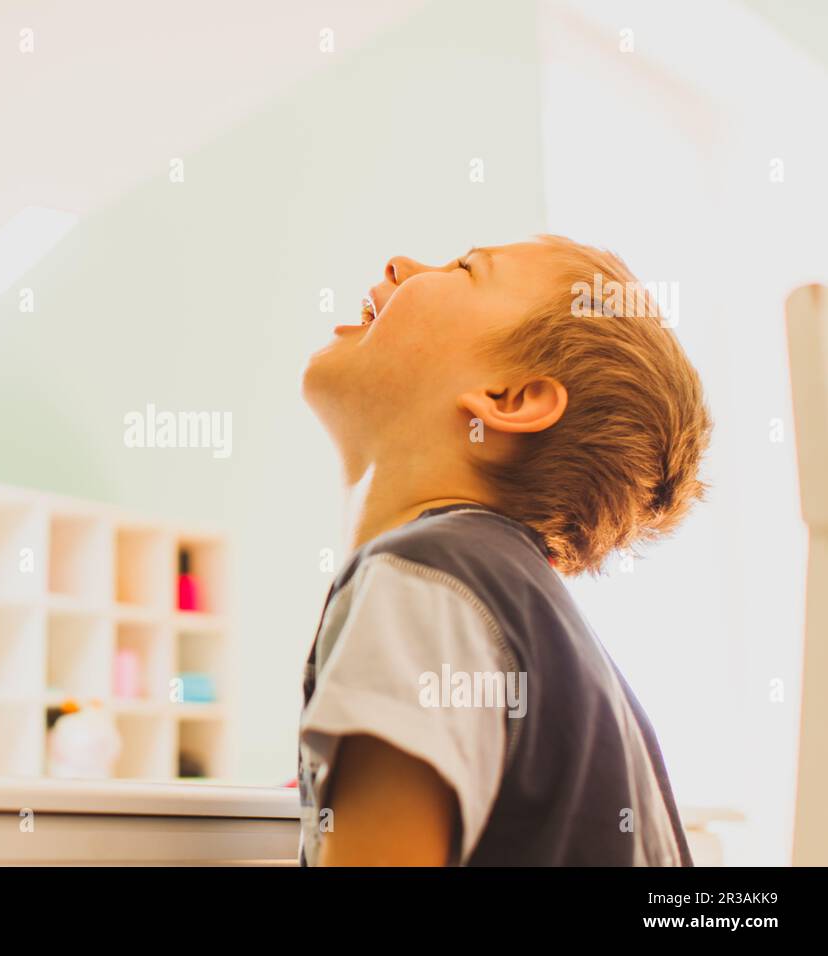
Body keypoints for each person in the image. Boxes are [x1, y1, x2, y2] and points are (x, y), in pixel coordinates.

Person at [297, 236, 711, 866]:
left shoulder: (426, 581)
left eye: (466, 268)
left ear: (509, 399)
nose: (400, 264)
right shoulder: (518, 615)